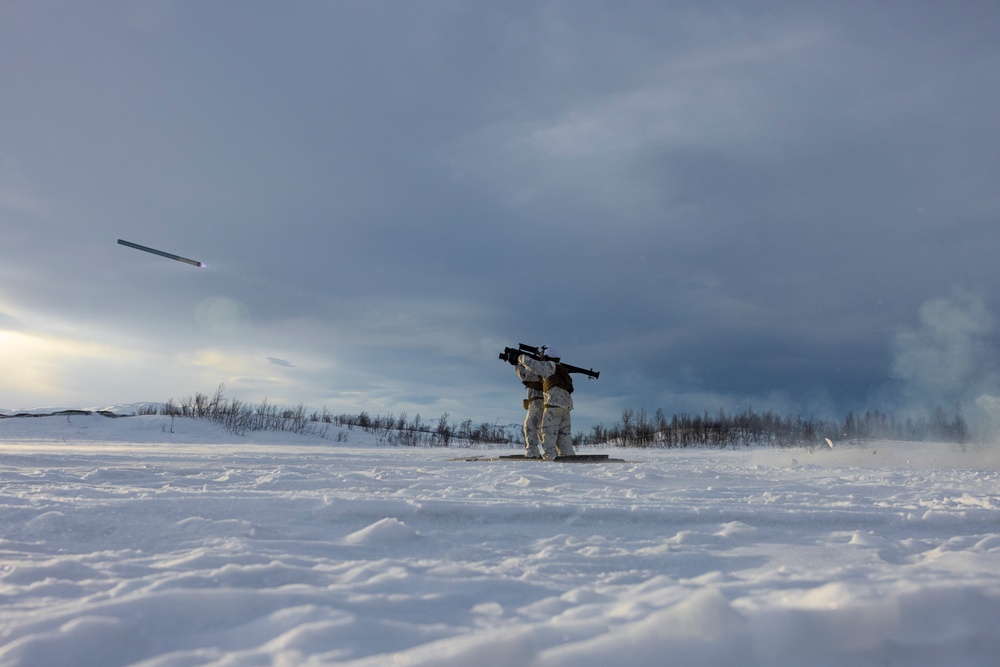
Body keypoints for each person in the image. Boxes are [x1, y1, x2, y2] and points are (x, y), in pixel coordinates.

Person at [518, 345, 576, 460]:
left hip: (553, 405)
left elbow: (531, 364)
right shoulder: (562, 369)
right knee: (564, 436)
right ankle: (568, 458)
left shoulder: (549, 366)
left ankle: (550, 458)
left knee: (547, 432)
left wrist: (520, 357)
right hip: (566, 407)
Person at [516, 364, 544, 458]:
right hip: (548, 401)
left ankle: (532, 453)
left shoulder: (535, 367)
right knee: (544, 429)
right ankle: (554, 452)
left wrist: (517, 365)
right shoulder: (549, 368)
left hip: (537, 401)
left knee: (530, 426)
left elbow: (524, 375)